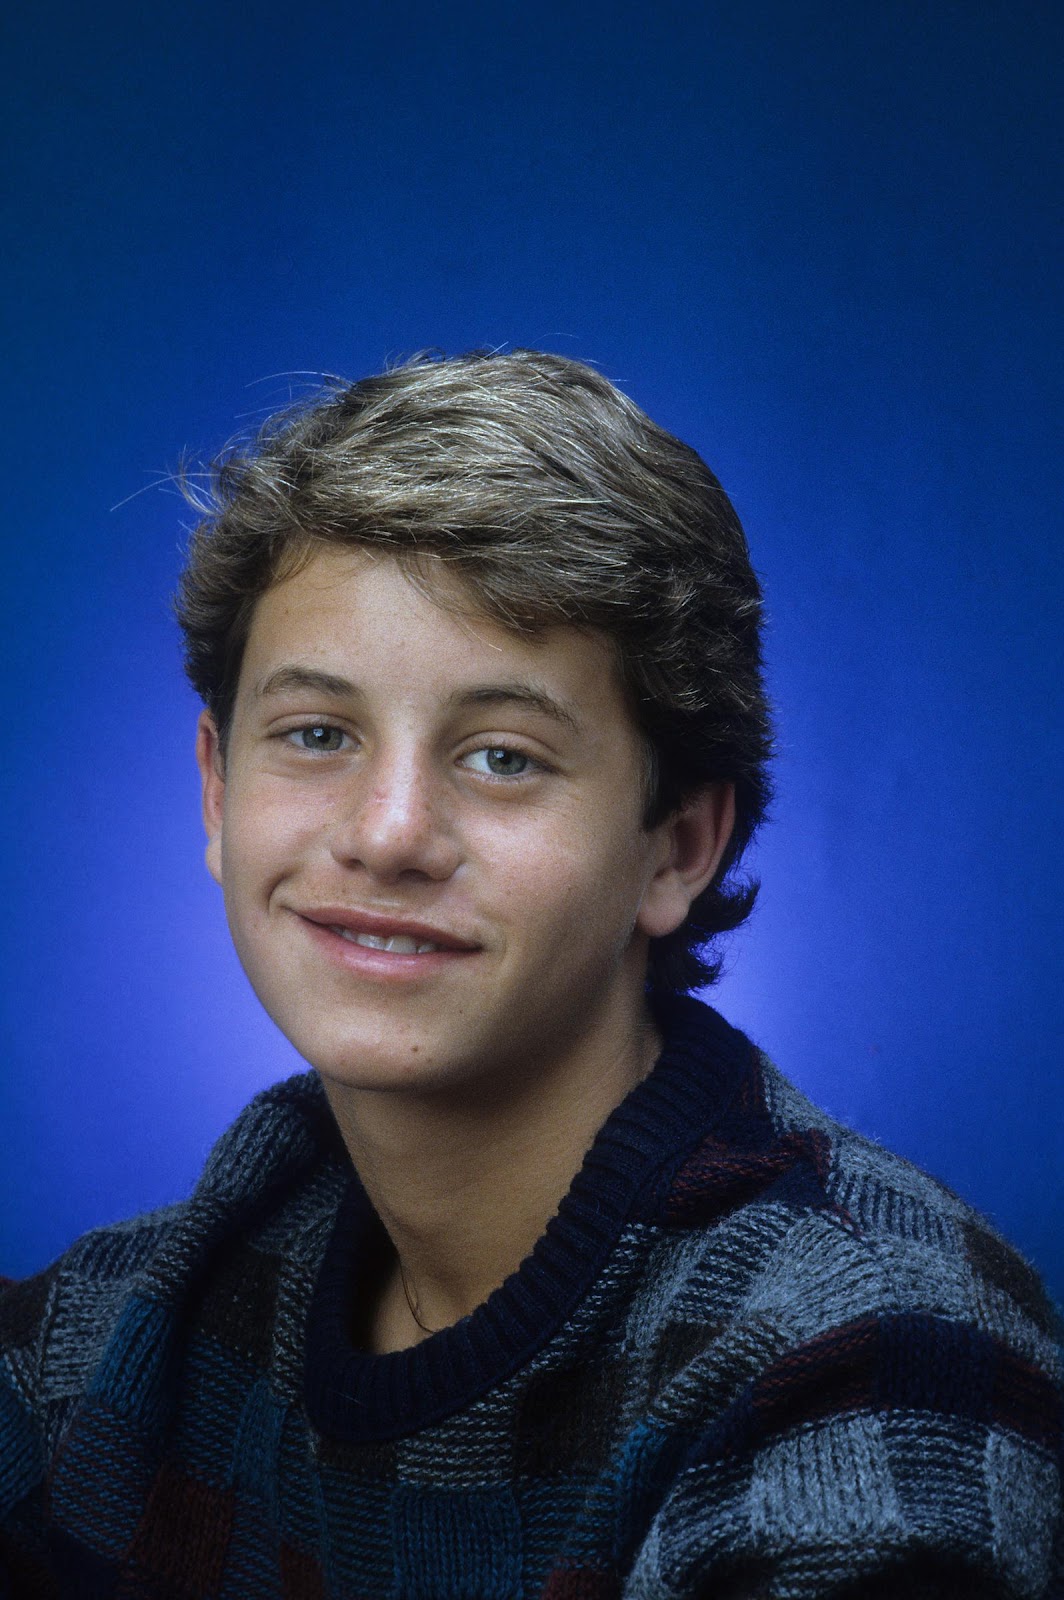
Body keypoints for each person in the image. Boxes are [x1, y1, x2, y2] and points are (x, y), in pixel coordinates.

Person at [0, 350, 1060, 1599]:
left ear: (676, 845)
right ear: (219, 790)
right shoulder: (119, 1339)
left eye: (502, 756)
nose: (388, 832)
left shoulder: (875, 1349)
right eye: (318, 734)